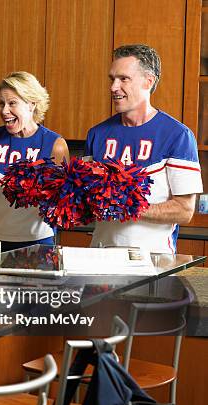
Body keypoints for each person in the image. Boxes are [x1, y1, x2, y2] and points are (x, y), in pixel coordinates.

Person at [86, 44, 203, 254]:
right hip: (100, 256)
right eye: (112, 79)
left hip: (153, 262)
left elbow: (184, 210)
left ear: (148, 81)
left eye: (123, 79)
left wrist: (128, 207)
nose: (113, 87)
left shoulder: (177, 135)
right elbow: (86, 197)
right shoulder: (97, 134)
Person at [0, 71, 69, 251]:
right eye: (1, 103)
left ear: (31, 104)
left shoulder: (55, 146)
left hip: (38, 242)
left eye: (12, 103)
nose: (4, 111)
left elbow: (62, 203)